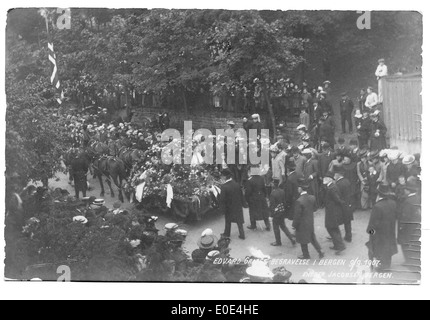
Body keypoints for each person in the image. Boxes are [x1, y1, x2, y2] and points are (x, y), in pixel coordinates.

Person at [366, 184, 398, 272]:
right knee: (388, 247)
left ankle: (382, 267)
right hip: (390, 230)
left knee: (380, 248)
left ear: (378, 194)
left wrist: (370, 232)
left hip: (380, 233)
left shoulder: (377, 206)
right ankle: (387, 264)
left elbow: (373, 223)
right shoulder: (393, 203)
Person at [293, 179, 325, 260]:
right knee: (312, 237)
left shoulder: (299, 201)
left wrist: (294, 225)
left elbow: (297, 216)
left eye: (298, 188)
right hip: (310, 222)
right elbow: (315, 208)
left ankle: (306, 255)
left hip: (302, 224)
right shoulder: (312, 197)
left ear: (300, 189)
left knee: (302, 240)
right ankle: (320, 250)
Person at [398, 180, 421, 265]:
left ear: (408, 190)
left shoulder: (408, 201)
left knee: (405, 242)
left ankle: (408, 261)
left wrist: (401, 226)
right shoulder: (417, 198)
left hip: (408, 226)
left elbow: (405, 216)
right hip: (416, 224)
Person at [323, 172, 346, 255]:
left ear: (329, 179)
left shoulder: (332, 188)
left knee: (331, 228)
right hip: (331, 211)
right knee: (333, 227)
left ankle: (340, 246)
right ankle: (337, 245)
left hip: (332, 212)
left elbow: (337, 199)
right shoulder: (330, 186)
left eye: (325, 178)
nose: (323, 179)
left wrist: (342, 204)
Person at [219, 169, 245, 240]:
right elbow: (241, 195)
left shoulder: (224, 187)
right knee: (239, 221)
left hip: (229, 207)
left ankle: (227, 234)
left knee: (228, 221)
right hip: (237, 206)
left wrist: (222, 210)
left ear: (224, 177)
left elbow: (222, 199)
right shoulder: (236, 184)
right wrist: (243, 204)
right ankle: (242, 234)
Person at [269, 180, 296, 247]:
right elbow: (284, 201)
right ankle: (291, 238)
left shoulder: (272, 193)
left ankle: (278, 242)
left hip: (276, 213)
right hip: (282, 211)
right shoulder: (282, 191)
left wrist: (271, 214)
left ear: (273, 184)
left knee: (276, 228)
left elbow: (272, 205)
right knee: (283, 226)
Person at [245, 166, 271, 232]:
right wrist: (265, 196)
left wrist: (247, 199)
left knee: (252, 212)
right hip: (261, 197)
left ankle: (253, 225)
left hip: (253, 199)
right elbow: (264, 188)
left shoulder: (249, 180)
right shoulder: (261, 178)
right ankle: (268, 225)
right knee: (264, 212)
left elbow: (248, 192)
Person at [334, 167, 353, 243]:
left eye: (335, 174)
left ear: (338, 175)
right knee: (347, 222)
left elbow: (337, 196)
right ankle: (349, 236)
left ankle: (336, 238)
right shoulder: (347, 181)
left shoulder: (338, 184)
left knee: (336, 221)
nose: (334, 176)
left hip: (341, 205)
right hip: (348, 204)